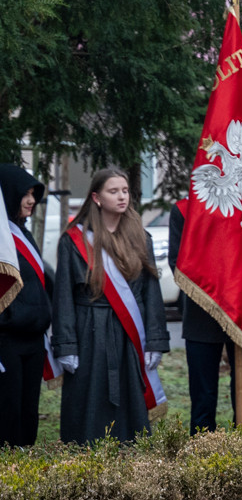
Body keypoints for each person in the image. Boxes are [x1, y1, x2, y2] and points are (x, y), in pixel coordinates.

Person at [52, 169, 169, 444]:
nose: (121, 197)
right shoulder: (73, 241)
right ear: (96, 197)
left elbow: (151, 294)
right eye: (113, 191)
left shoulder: (141, 237)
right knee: (89, 400)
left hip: (130, 335)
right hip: (89, 332)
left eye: (125, 191)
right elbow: (63, 298)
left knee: (131, 401)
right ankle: (87, 463)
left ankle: (130, 462)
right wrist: (66, 346)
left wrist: (154, 340)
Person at [168, 198, 242, 431]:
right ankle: (202, 457)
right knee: (203, 399)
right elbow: (178, 263)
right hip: (203, 312)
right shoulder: (184, 210)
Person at [0, 164, 54, 446]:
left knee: (28, 409)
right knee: (8, 407)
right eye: (25, 194)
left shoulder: (24, 233)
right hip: (6, 338)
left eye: (34, 194)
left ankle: (25, 465)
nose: (32, 200)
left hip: (33, 339)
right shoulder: (2, 238)